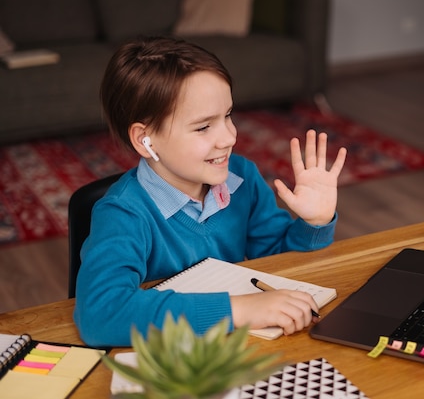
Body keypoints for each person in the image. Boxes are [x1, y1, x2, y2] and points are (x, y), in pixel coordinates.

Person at [73, 36, 347, 347]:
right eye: (204, 127)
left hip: (236, 351)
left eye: (228, 115)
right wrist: (237, 310)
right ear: (145, 140)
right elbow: (102, 314)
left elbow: (278, 263)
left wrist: (313, 224)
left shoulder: (241, 176)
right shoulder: (122, 214)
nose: (229, 136)